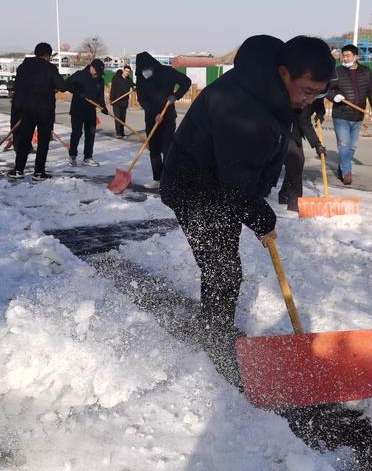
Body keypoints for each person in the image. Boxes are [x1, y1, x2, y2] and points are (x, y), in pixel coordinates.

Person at [160, 35, 336, 384]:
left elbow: (248, 170)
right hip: (194, 187)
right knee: (222, 268)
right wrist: (261, 217)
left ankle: (215, 331)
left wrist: (254, 203)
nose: (308, 101)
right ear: (284, 73)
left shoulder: (269, 90)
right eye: (306, 90)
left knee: (224, 266)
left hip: (220, 185)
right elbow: (237, 180)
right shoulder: (244, 106)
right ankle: (214, 344)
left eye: (318, 94)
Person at [7, 42, 67, 180]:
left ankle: (18, 170)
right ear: (47, 55)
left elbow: (18, 87)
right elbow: (62, 86)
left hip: (27, 110)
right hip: (45, 111)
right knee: (43, 141)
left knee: (24, 140)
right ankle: (39, 172)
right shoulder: (50, 68)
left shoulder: (23, 67)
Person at [135, 52, 192, 189]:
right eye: (142, 69)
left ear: (152, 65)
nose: (145, 72)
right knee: (154, 149)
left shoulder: (167, 72)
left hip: (168, 116)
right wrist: (154, 114)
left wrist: (176, 96)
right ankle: (157, 179)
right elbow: (141, 99)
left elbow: (186, 82)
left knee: (167, 148)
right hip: (151, 117)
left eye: (146, 68)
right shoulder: (141, 78)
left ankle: (169, 180)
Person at [329, 44, 372, 185]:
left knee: (352, 146)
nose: (344, 59)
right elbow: (326, 89)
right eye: (343, 56)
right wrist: (334, 96)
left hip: (358, 116)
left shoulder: (366, 72)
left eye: (347, 56)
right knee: (344, 144)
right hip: (341, 115)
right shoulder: (337, 72)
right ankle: (347, 173)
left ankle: (342, 168)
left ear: (356, 57)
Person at [278, 98, 327, 211]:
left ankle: (284, 194)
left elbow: (319, 104)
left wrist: (320, 113)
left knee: (296, 163)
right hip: (285, 128)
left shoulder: (318, 92)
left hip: (294, 130)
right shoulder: (304, 92)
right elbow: (303, 121)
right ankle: (294, 201)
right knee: (296, 161)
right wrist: (317, 144)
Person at [66, 59, 107, 167]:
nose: (98, 74)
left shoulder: (100, 80)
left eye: (99, 73)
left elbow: (100, 97)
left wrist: (103, 107)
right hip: (77, 110)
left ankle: (88, 157)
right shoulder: (80, 75)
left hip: (90, 111)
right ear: (91, 67)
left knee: (91, 134)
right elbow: (66, 84)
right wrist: (77, 91)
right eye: (96, 71)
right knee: (77, 133)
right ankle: (72, 155)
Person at [110, 65, 135, 138]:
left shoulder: (129, 80)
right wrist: (112, 100)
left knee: (122, 118)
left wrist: (134, 87)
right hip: (116, 102)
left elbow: (133, 85)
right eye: (126, 71)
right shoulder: (116, 78)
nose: (127, 73)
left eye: (128, 72)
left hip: (124, 102)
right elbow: (113, 89)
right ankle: (118, 133)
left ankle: (122, 133)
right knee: (118, 118)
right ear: (123, 70)